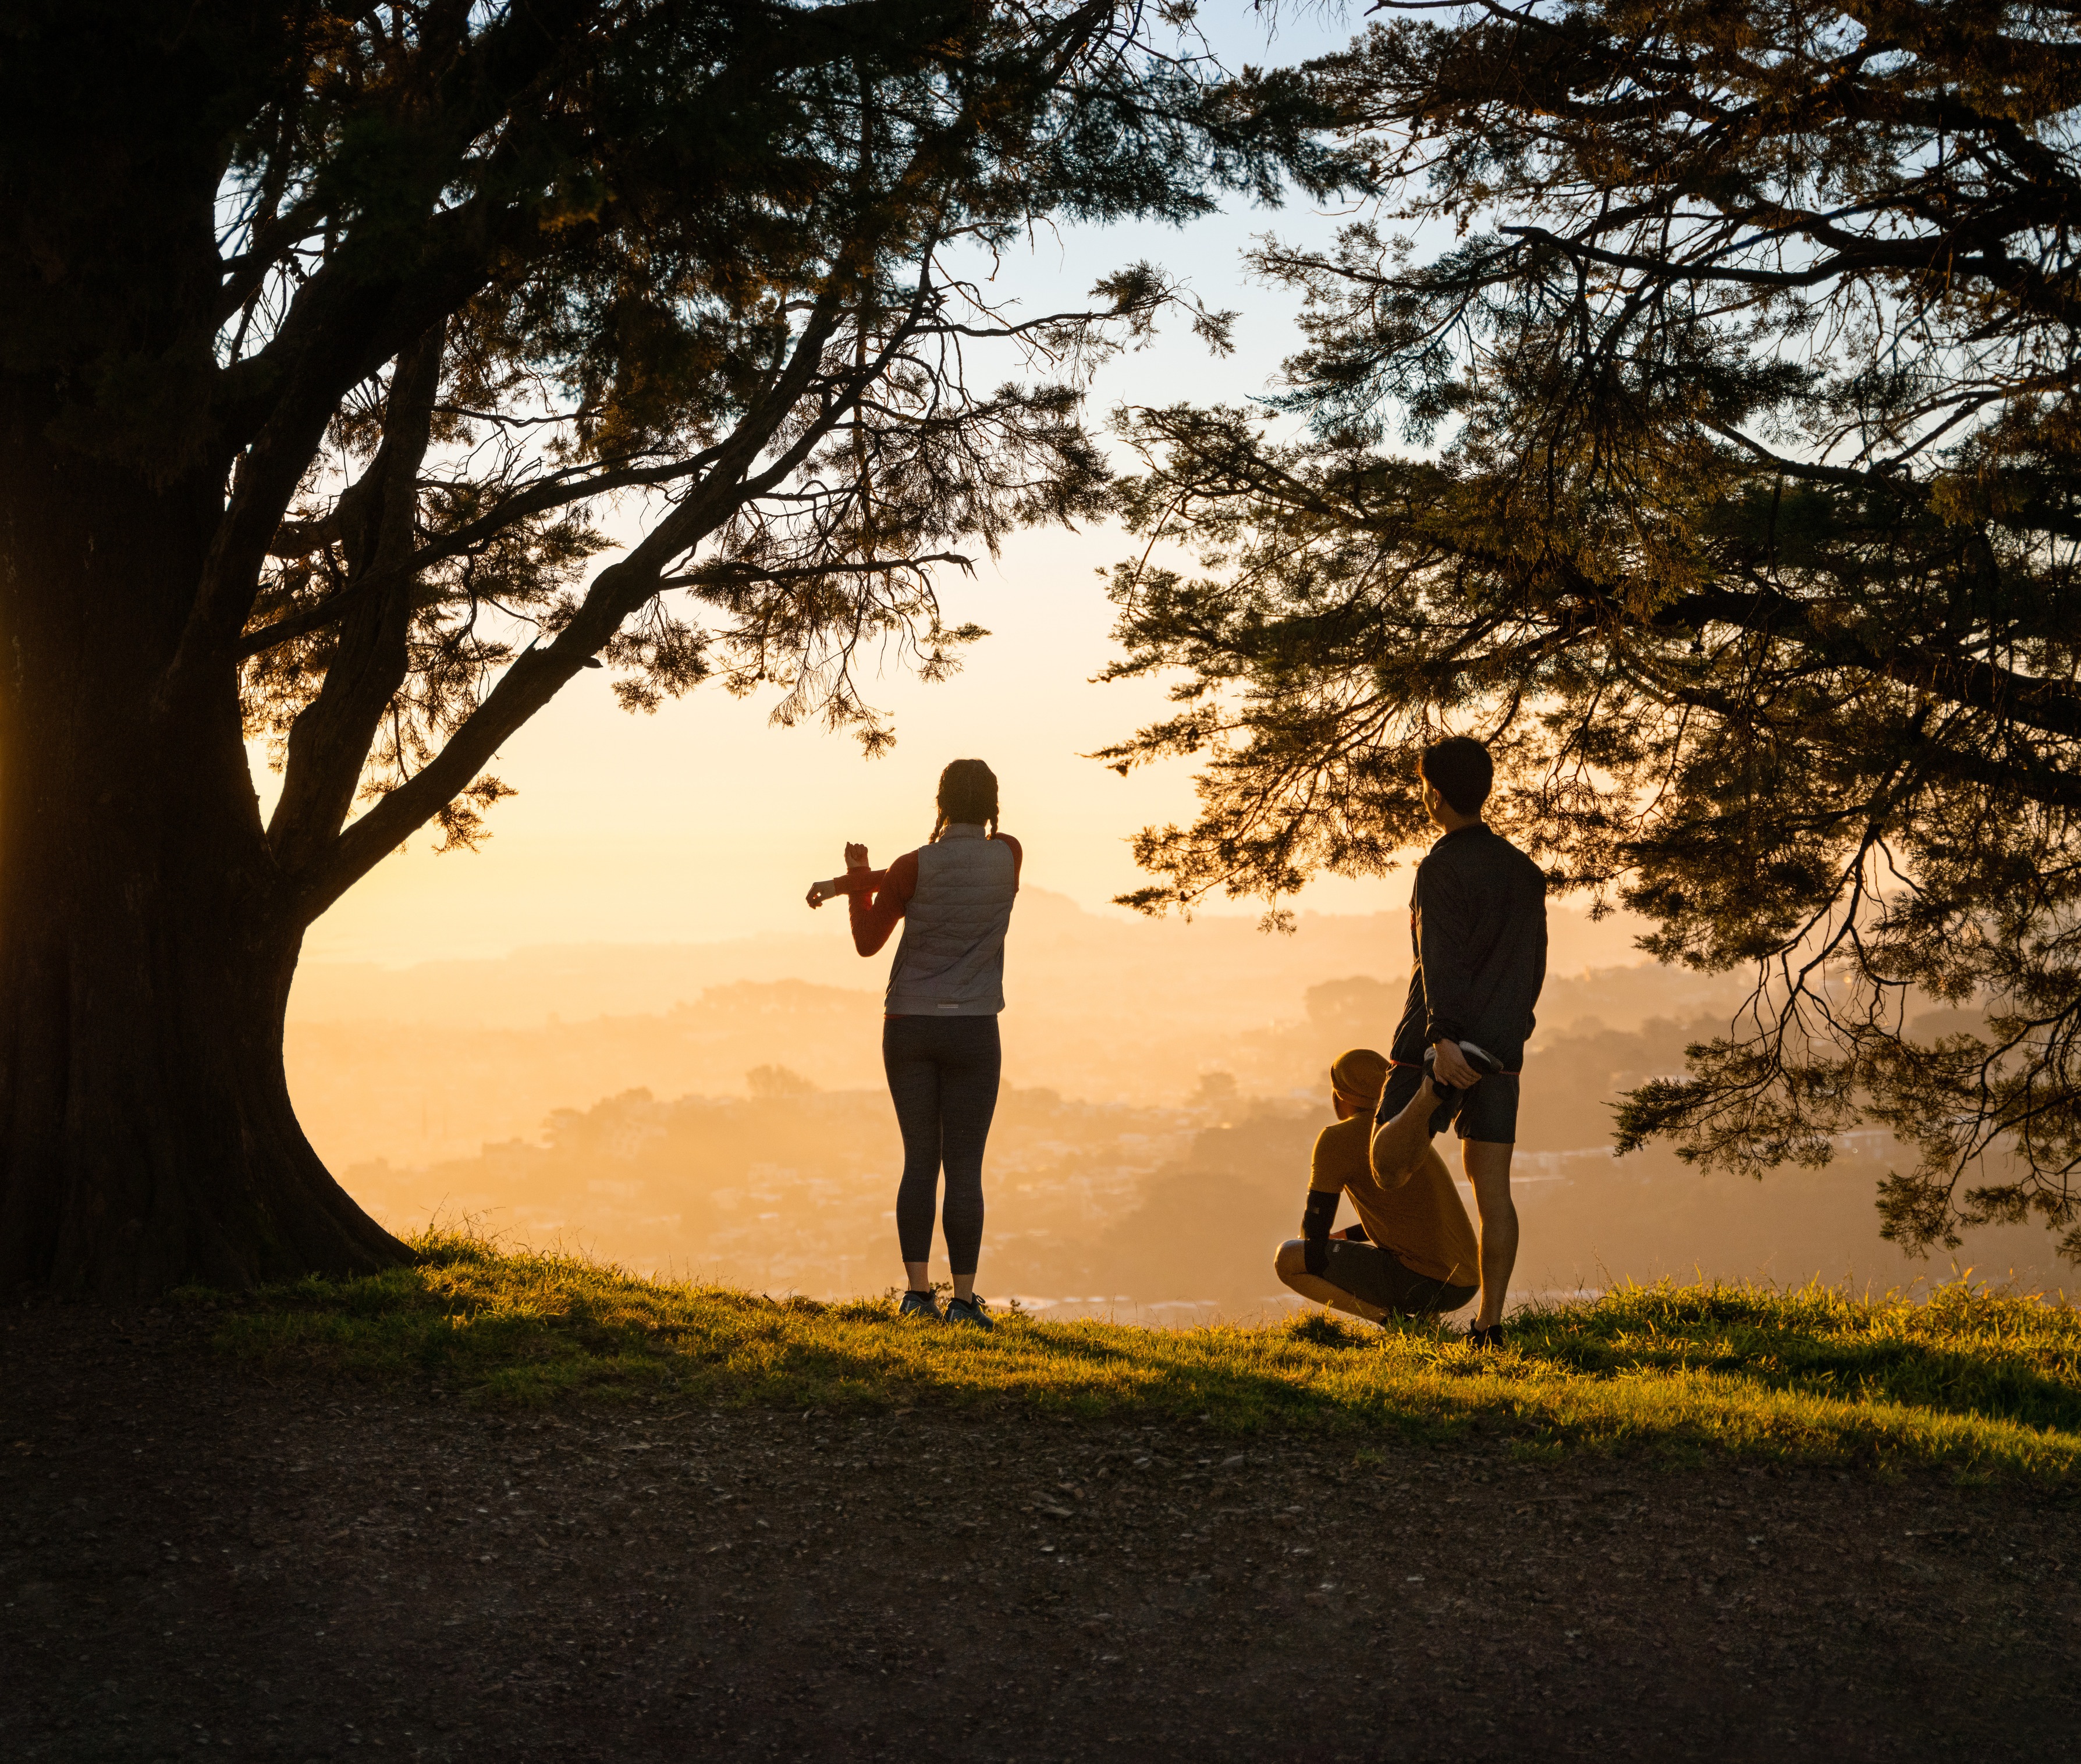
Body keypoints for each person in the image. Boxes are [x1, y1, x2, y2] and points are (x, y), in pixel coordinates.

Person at [804, 759, 1019, 1326]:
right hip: (975, 1026)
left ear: (940, 802)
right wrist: (851, 880)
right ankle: (966, 1302)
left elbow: (869, 942)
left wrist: (852, 883)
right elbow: (931, 874)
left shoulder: (912, 866)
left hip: (910, 1025)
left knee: (920, 1160)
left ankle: (918, 1294)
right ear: (992, 803)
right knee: (966, 1168)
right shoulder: (1010, 855)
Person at [1368, 735, 1547, 1348]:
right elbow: (1534, 964)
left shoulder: (1438, 866)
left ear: (1436, 795)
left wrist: (1441, 1039)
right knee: (1492, 1191)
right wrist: (1512, 1032)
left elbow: (1437, 957)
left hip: (1439, 1041)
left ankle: (1428, 1098)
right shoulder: (1525, 871)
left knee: (1386, 1166)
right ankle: (1489, 1325)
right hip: (1499, 1050)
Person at [1275, 1048, 1479, 1322]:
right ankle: (1427, 1324)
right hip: (1465, 1282)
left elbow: (1314, 1231)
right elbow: (1406, 1220)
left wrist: (1320, 1243)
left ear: (1341, 1096)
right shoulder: (1401, 1131)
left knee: (1288, 1258)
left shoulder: (1337, 1139)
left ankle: (1390, 1321)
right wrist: (1345, 1239)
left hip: (1421, 1281)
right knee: (1411, 1254)